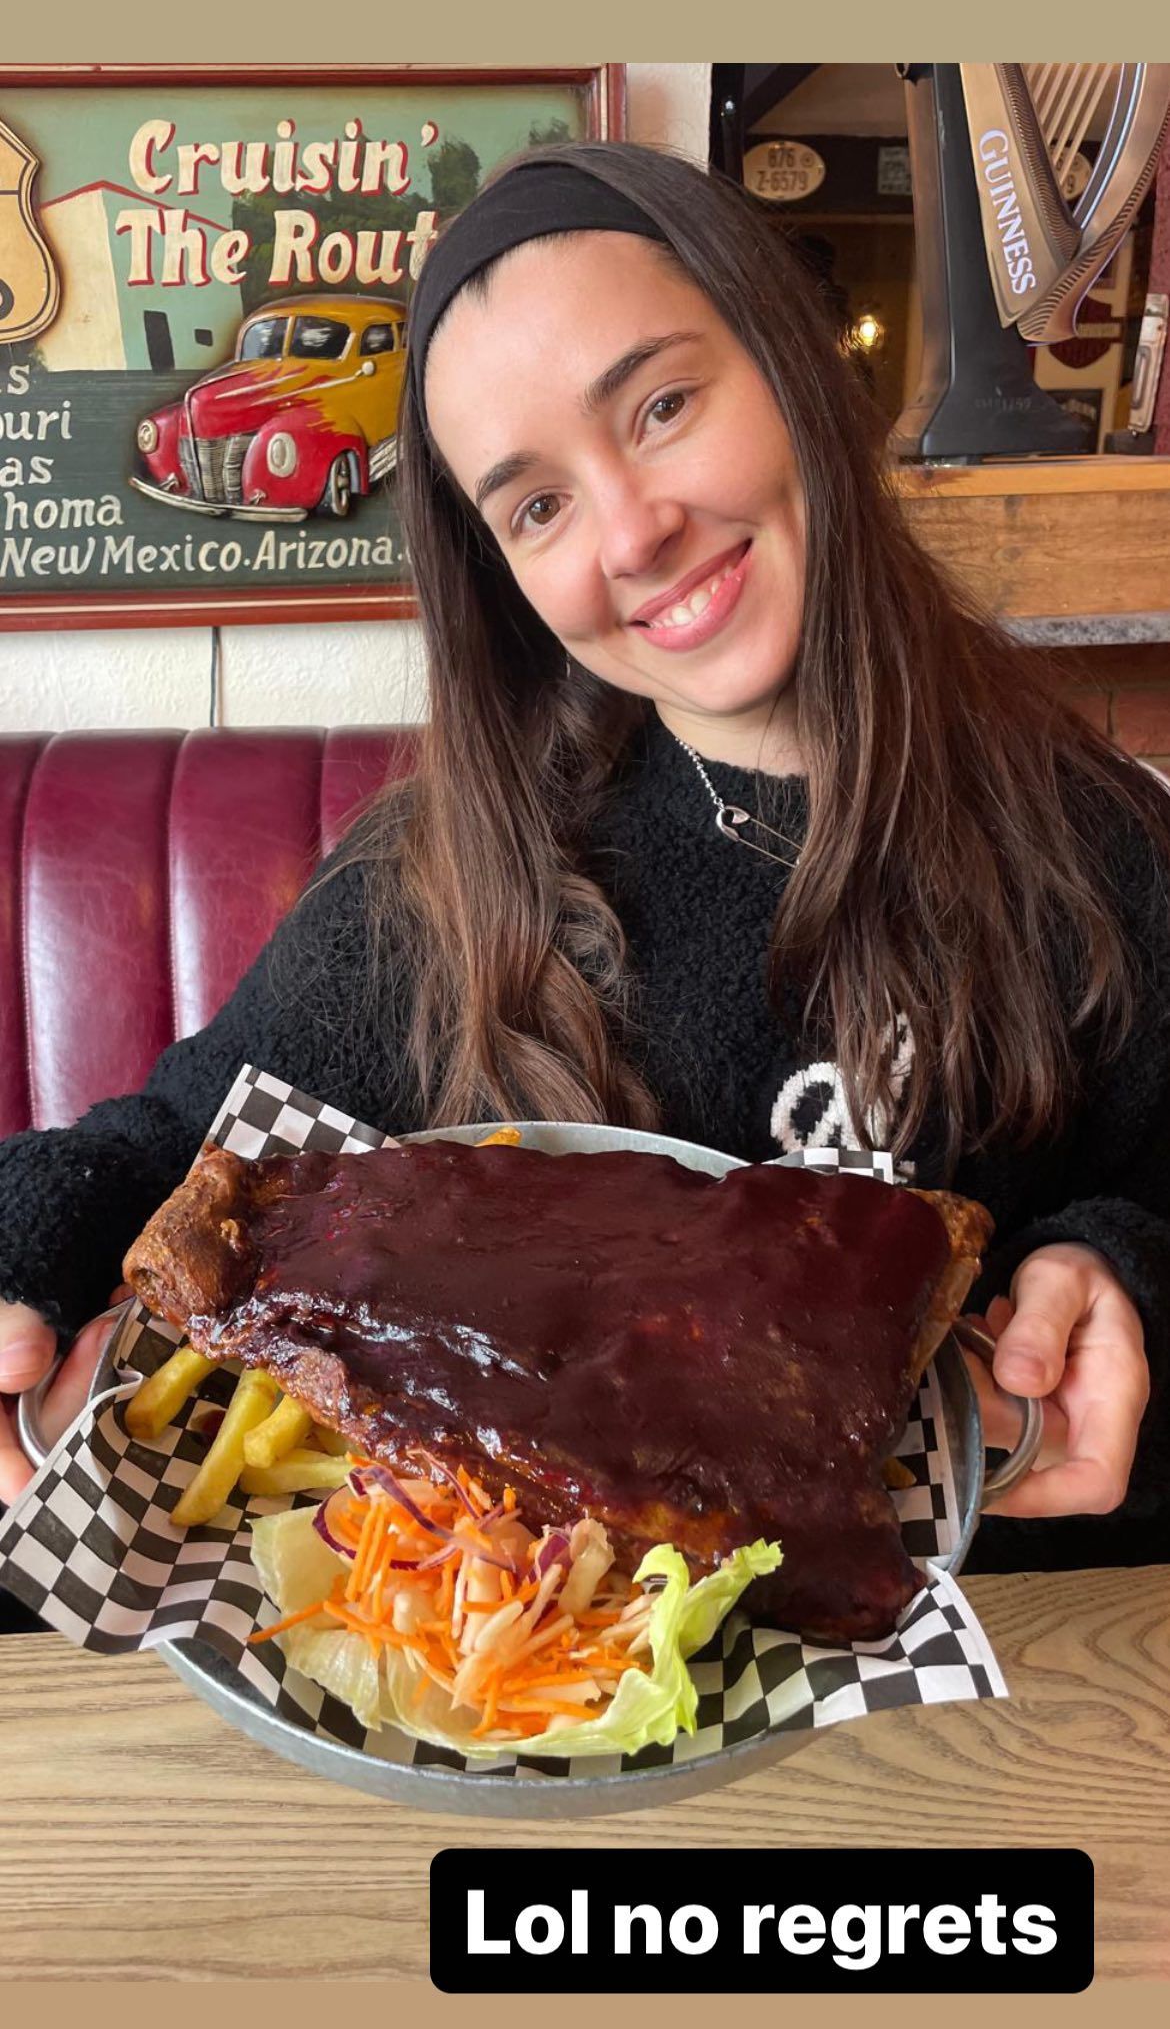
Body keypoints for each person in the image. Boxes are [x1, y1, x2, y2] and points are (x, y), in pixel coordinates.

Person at [1, 143, 1168, 1602]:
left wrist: (1117, 1275)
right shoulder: (452, 878)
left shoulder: (1098, 844)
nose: (632, 531)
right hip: (521, 1676)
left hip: (987, 1653)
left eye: (663, 406)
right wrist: (25, 1250)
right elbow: (180, 1150)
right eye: (536, 506)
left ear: (794, 366)